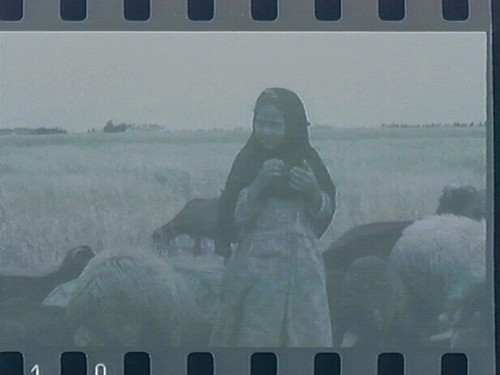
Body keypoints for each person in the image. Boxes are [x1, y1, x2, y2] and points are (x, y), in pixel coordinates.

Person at [211, 88, 336, 347]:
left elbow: (322, 215)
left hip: (303, 269)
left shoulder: (308, 161)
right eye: (261, 123)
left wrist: (313, 191)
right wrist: (258, 185)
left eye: (275, 125)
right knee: (255, 341)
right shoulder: (248, 161)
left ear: (292, 126)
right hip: (256, 270)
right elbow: (233, 218)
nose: (266, 131)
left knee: (306, 340)